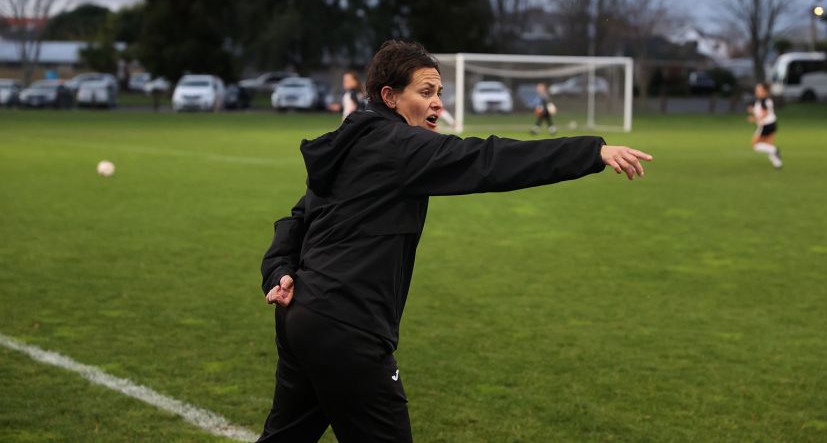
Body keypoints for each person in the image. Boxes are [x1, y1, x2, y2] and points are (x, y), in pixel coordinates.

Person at [257, 40, 652, 443]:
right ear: (390, 97)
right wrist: (592, 152)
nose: (437, 105)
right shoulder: (399, 146)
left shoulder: (350, 142)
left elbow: (297, 218)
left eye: (439, 93)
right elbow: (489, 161)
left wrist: (279, 269)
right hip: (347, 326)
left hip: (301, 317)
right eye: (425, 93)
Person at [747, 82, 783, 169]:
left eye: (759, 90)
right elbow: (762, 110)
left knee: (756, 145)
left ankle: (774, 150)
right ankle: (777, 163)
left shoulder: (763, 100)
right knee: (767, 145)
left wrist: (754, 118)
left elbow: (765, 113)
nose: (757, 92)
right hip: (772, 124)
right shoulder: (764, 100)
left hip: (766, 125)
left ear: (764, 91)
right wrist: (752, 110)